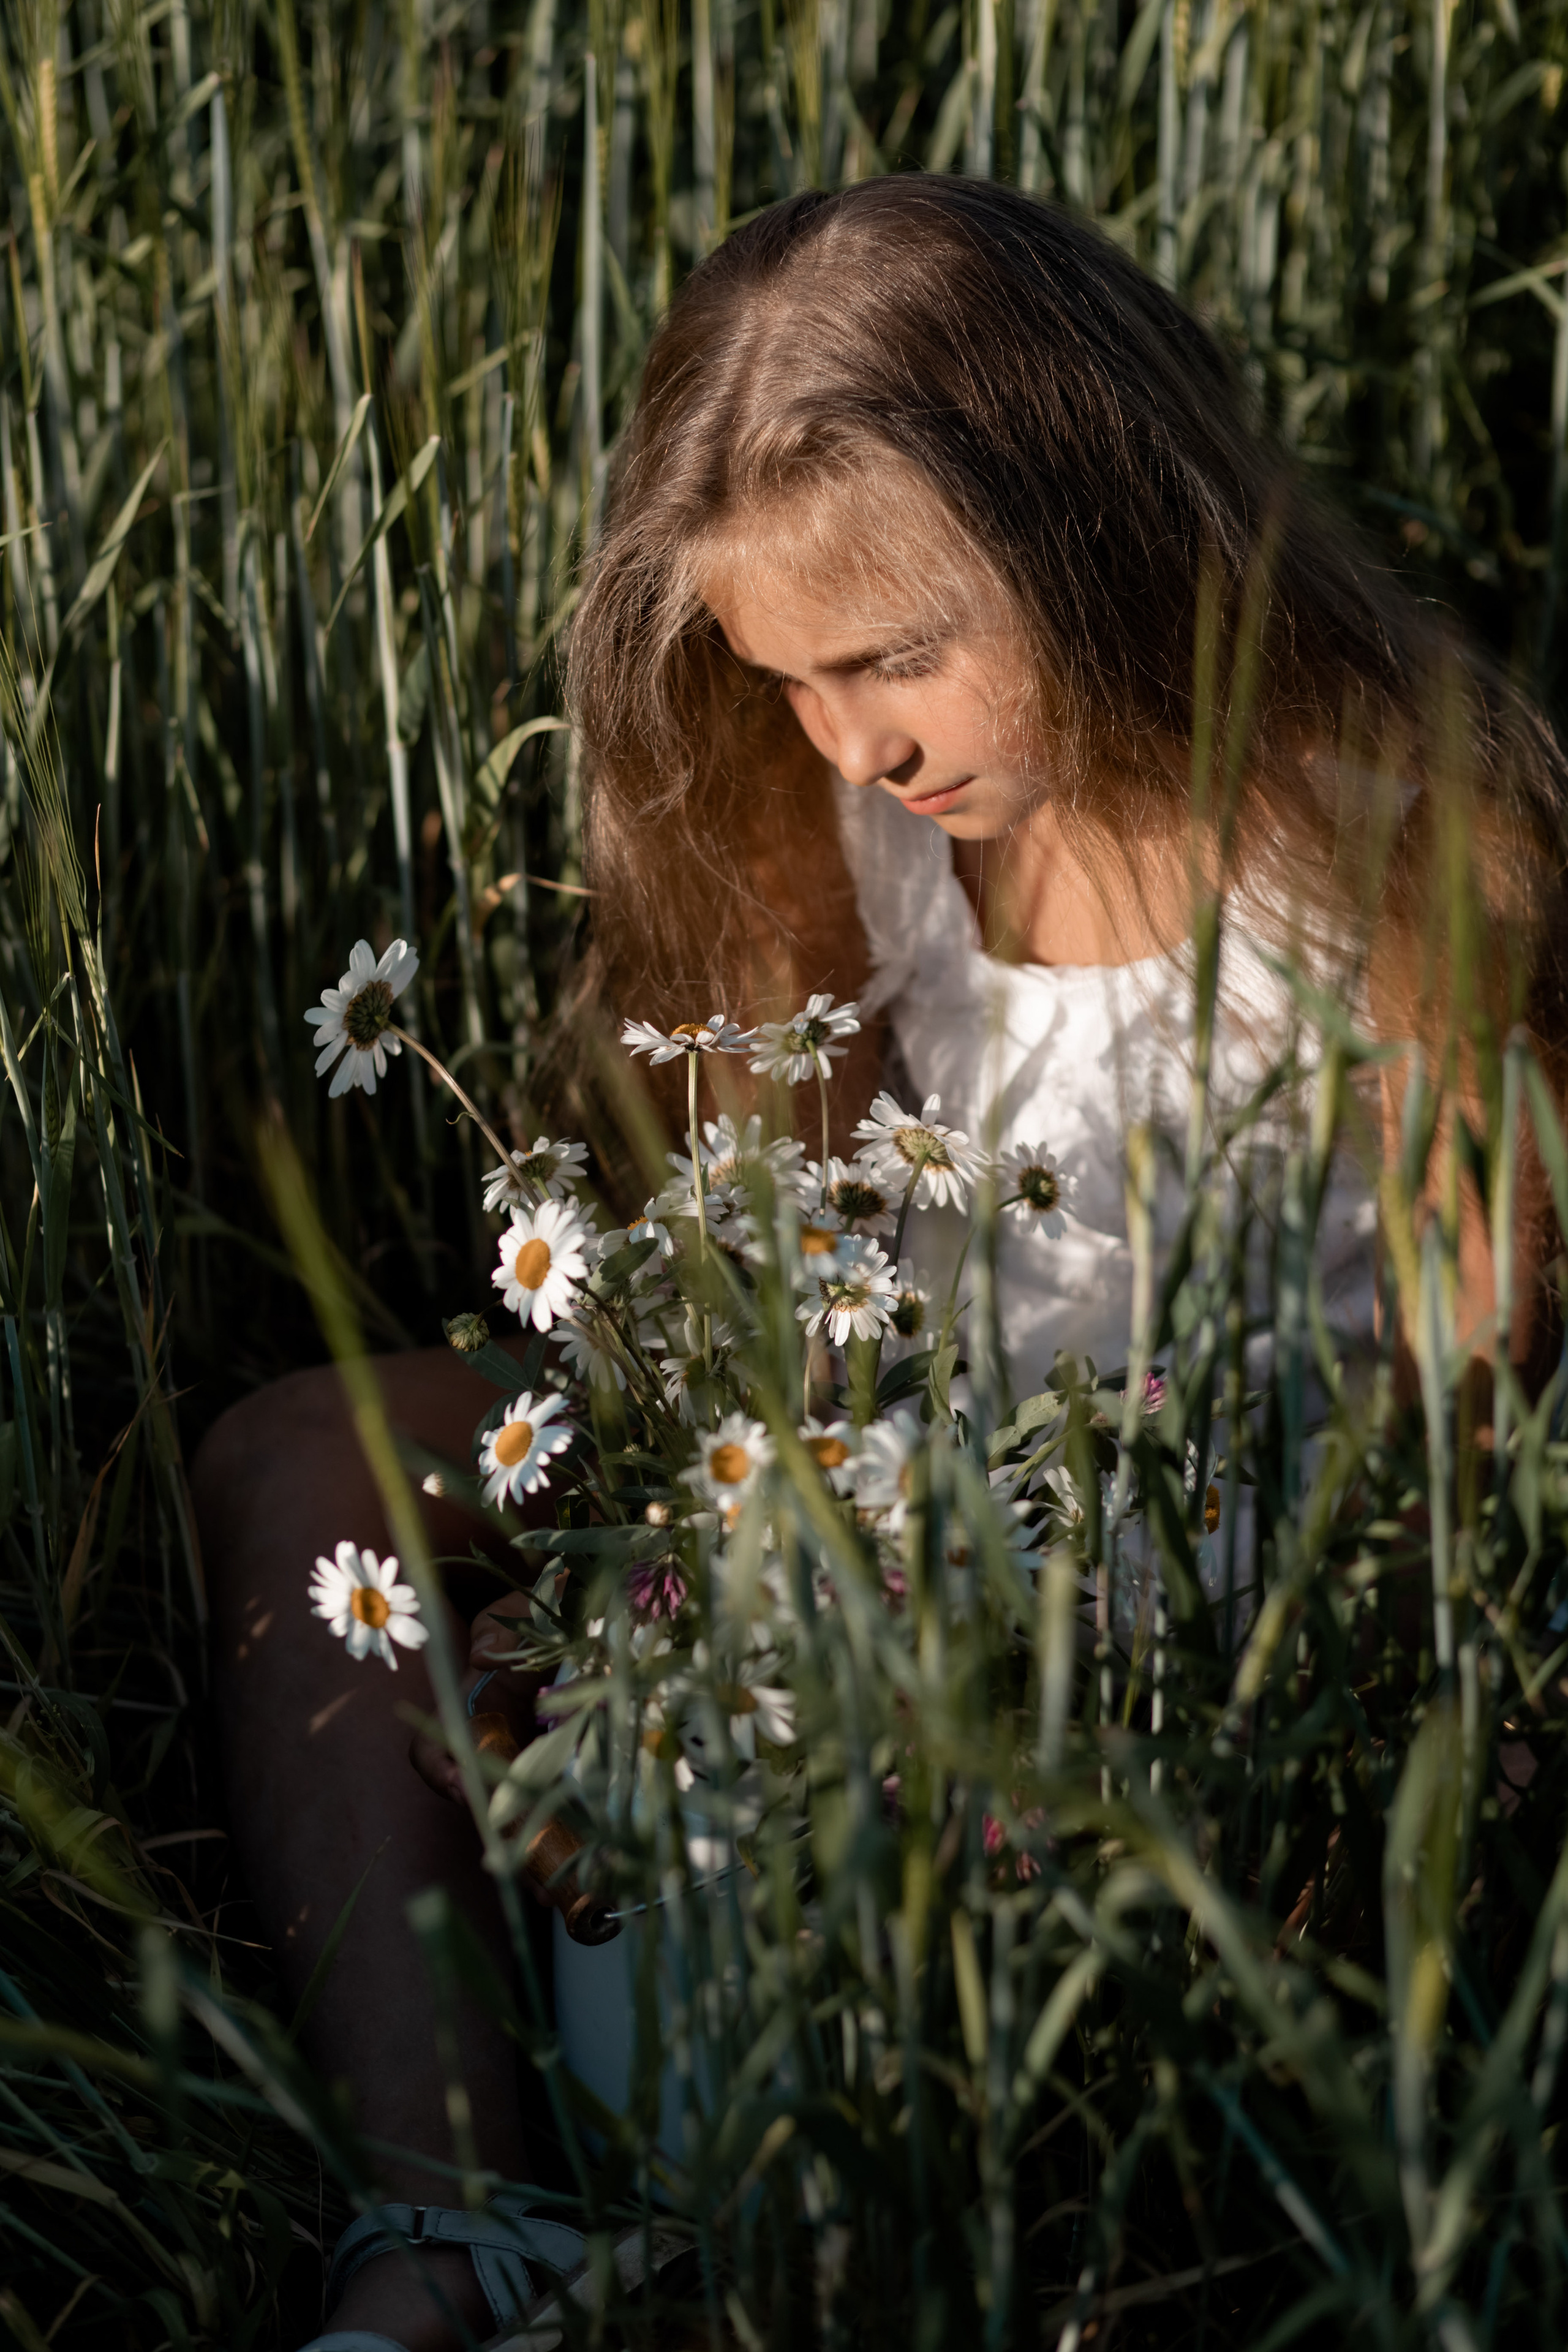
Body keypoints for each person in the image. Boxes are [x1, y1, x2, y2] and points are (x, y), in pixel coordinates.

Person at [194, 175, 1568, 2352]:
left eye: (896, 659)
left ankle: (773, 2178)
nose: (854, 740)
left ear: (1101, 526)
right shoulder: (830, 827)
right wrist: (632, 1594)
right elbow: (776, 1287)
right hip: (852, 1507)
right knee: (309, 1460)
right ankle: (445, 2218)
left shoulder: (1399, 874)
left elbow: (1458, 1447)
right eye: (789, 675)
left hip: (1169, 1612)